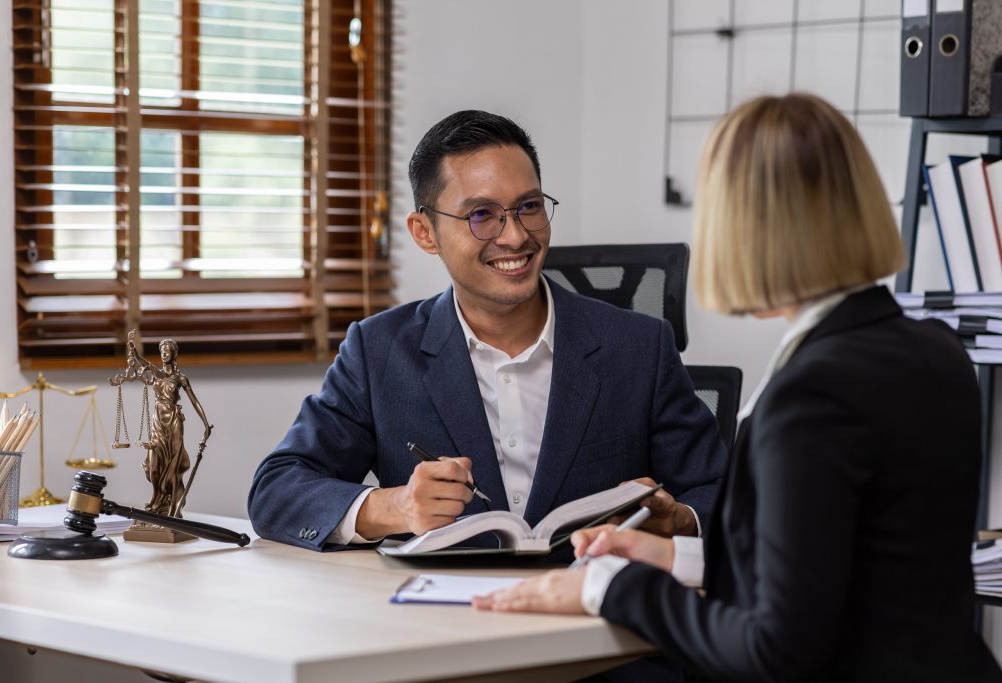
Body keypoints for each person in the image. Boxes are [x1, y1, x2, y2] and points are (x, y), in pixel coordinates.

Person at [474, 93, 1002, 681]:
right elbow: (854, 566)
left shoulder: (811, 398)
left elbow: (775, 651)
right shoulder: (934, 349)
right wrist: (677, 557)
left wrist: (614, 590)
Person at [247, 110, 726, 554]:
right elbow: (278, 488)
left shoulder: (638, 347)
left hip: (599, 620)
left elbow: (720, 492)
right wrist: (395, 507)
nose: (515, 236)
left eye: (528, 207)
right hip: (443, 629)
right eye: (482, 215)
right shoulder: (379, 352)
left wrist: (679, 520)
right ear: (424, 233)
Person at [112, 331, 212, 518]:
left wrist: (206, 424)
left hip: (173, 421)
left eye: (167, 351)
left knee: (173, 464)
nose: (164, 354)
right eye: (162, 351)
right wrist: (134, 352)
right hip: (157, 419)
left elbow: (194, 401)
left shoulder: (181, 378)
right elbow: (145, 364)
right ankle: (157, 500)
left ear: (174, 354)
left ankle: (173, 507)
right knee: (154, 464)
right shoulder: (157, 373)